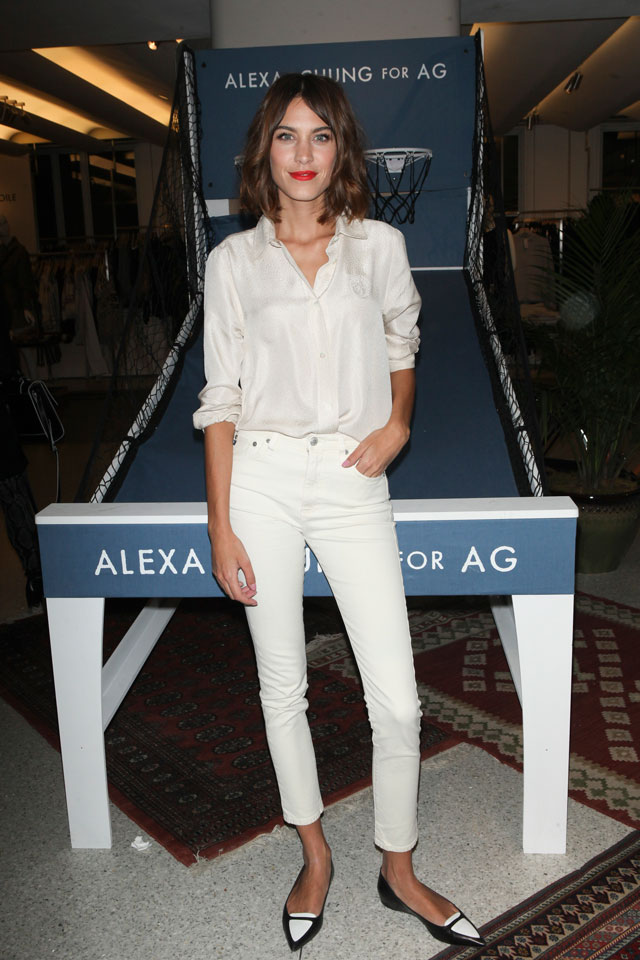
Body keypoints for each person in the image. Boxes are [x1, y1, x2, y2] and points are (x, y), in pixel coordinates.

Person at [193, 73, 484, 954]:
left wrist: (398, 423)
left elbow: (403, 339)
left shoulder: (379, 247)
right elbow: (220, 397)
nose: (304, 153)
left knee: (396, 699)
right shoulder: (233, 263)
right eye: (287, 135)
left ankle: (399, 868)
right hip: (262, 478)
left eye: (321, 136)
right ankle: (314, 856)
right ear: (264, 150)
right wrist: (220, 524)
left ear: (341, 149)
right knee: (282, 685)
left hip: (356, 477)